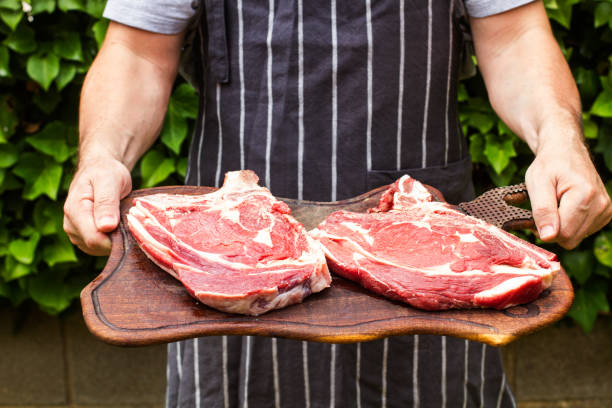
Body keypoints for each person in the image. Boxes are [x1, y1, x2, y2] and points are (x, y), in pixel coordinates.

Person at [64, 0, 612, 407]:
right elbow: (136, 50)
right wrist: (103, 156)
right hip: (232, 261)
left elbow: (515, 35)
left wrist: (559, 140)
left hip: (424, 260)